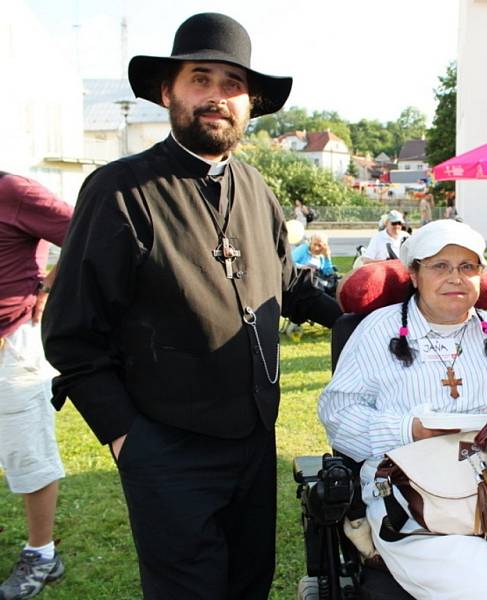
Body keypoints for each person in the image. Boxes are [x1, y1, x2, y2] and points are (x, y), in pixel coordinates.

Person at [41, 13, 339, 599]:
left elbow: (288, 283)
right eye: (200, 79)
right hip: (166, 447)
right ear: (168, 91)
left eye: (232, 85)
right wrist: (128, 439)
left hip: (254, 443)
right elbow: (71, 333)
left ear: (250, 104)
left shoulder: (256, 188)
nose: (217, 97)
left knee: (247, 585)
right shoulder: (120, 191)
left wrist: (369, 307)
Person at [319, 219, 487, 599]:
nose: (455, 278)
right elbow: (338, 414)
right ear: (414, 274)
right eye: (439, 266)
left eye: (467, 267)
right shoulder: (377, 331)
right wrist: (410, 429)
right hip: (412, 491)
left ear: (481, 275)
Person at [0, 172, 72, 600]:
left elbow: (83, 228)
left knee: (28, 453)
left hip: (13, 344)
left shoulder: (12, 190)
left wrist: (46, 289)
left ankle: (42, 554)